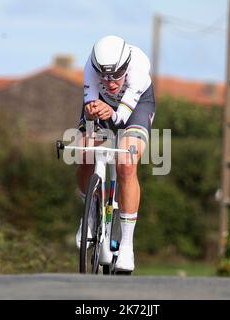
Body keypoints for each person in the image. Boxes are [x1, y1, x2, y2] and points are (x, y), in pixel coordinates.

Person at [75, 35, 155, 272]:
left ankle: (127, 245)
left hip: (137, 106)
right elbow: (90, 108)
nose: (109, 83)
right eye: (104, 76)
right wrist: (92, 111)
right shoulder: (90, 67)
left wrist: (110, 112)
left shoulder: (139, 67)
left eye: (116, 76)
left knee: (126, 163)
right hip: (102, 104)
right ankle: (89, 215)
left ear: (126, 67)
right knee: (84, 154)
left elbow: (120, 118)